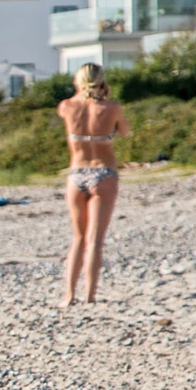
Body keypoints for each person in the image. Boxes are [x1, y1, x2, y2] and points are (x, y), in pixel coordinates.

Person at [57, 62, 129, 306]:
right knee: (95, 239)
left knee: (77, 238)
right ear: (101, 82)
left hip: (76, 173)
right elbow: (126, 132)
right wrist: (105, 99)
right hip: (103, 172)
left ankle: (69, 295)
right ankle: (89, 295)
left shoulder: (66, 106)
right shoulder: (112, 107)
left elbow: (77, 106)